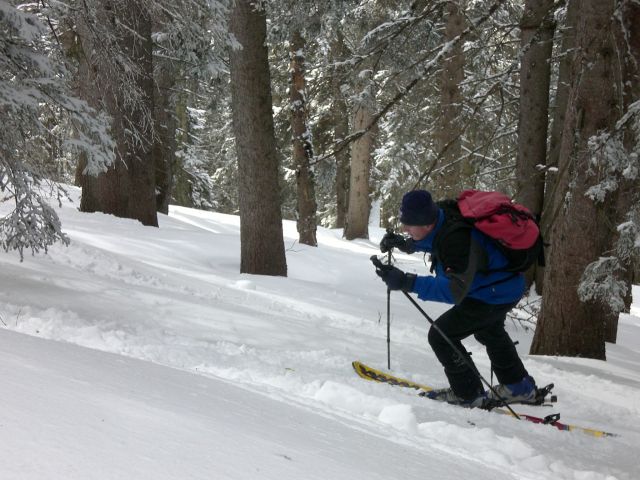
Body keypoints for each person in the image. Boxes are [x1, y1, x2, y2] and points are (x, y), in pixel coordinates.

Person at [374, 189, 536, 408]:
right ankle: (519, 387)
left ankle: (468, 395)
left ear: (426, 223)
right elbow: (437, 238)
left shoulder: (456, 241)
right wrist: (407, 244)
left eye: (409, 225)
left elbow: (453, 290)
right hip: (502, 286)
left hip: (494, 292)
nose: (405, 229)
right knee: (489, 330)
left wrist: (406, 281)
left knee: (441, 335)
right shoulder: (442, 214)